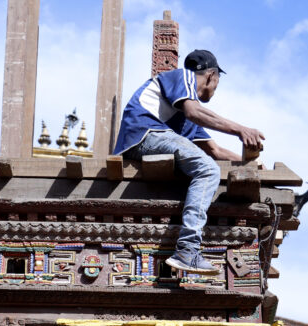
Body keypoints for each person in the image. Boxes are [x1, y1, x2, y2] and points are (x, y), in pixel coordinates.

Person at [113, 49, 265, 276]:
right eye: (217, 84)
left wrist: (251, 165)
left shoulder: (184, 114)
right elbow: (195, 112)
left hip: (149, 139)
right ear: (211, 76)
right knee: (208, 170)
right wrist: (241, 130)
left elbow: (214, 150)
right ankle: (188, 249)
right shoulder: (183, 77)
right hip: (144, 134)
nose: (215, 89)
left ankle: (188, 249)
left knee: (207, 163)